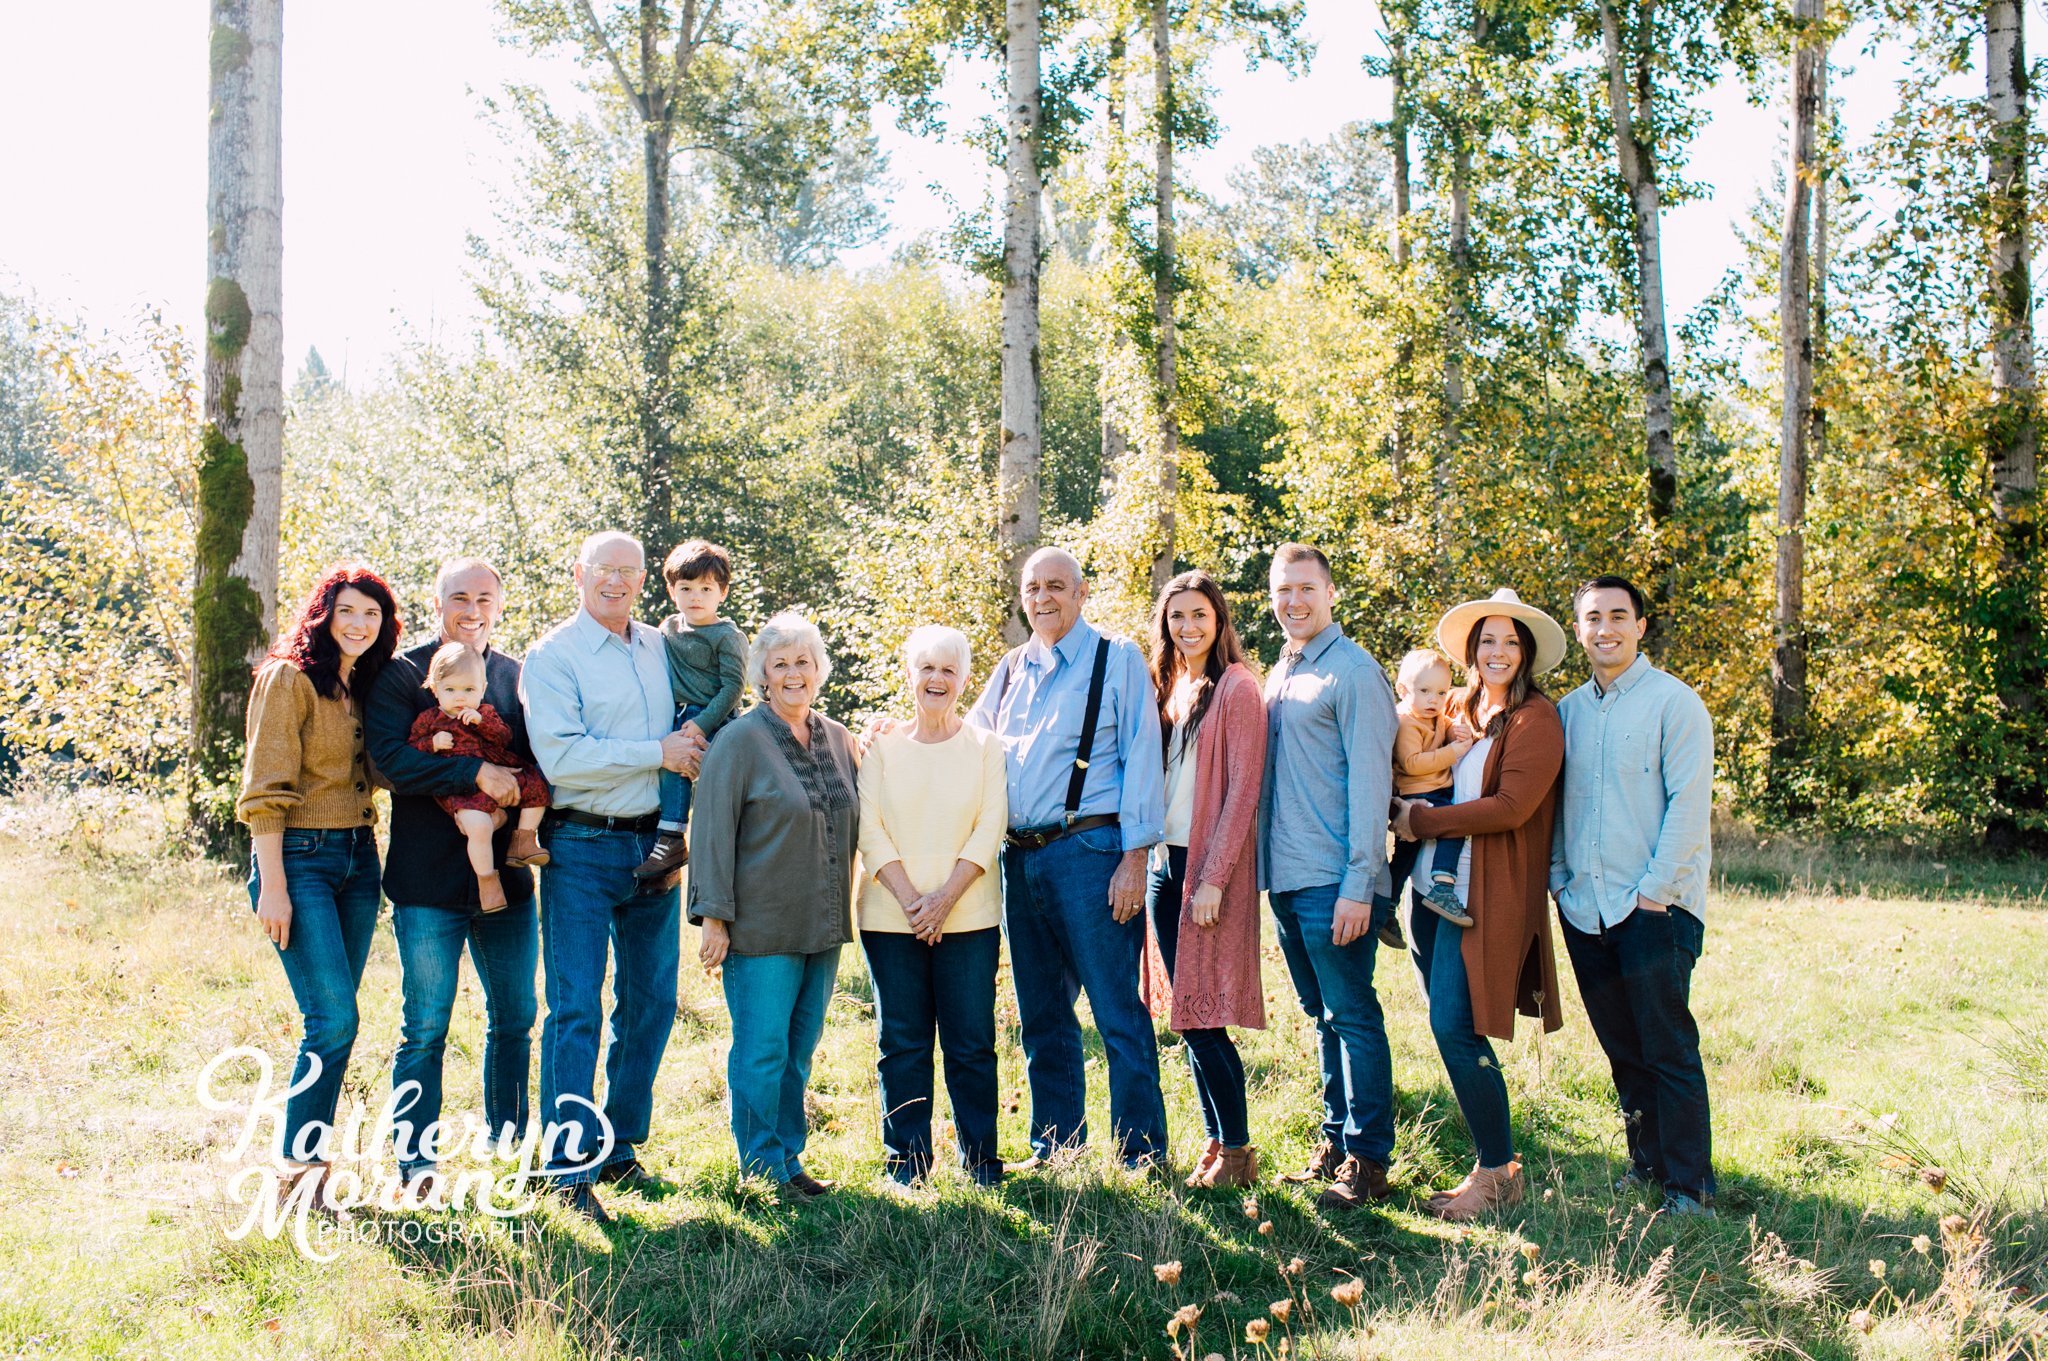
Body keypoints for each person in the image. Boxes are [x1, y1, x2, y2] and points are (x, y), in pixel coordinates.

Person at [968, 547, 1169, 1172]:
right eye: (1033, 588)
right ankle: (1058, 1148)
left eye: (1057, 586)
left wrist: (1135, 857)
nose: (1044, 597)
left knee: (1115, 1010)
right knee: (1043, 1014)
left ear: (1081, 594)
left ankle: (1141, 1151)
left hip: (1092, 853)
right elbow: (965, 743)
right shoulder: (1009, 669)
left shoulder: (1117, 659)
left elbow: (1143, 759)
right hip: (1019, 858)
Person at [521, 531, 701, 1224]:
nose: (619, 582)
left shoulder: (659, 644)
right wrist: (656, 750)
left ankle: (620, 1145)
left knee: (652, 1000)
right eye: (606, 570)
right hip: (583, 846)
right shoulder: (554, 655)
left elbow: (701, 711)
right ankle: (566, 1167)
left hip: (656, 844)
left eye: (630, 571)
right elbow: (564, 758)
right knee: (574, 1007)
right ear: (580, 574)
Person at [365, 558, 542, 1197]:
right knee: (426, 1026)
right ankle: (417, 1161)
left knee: (516, 1015)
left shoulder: (518, 678)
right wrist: (471, 776)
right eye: (460, 598)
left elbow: (535, 761)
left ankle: (509, 1142)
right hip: (425, 879)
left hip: (508, 882)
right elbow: (388, 761)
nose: (473, 609)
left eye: (485, 598)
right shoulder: (404, 676)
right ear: (438, 603)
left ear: (500, 605)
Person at [1392, 589, 1568, 1221]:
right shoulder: (1455, 707)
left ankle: (1498, 1171)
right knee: (1450, 1022)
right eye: (1488, 640)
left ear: (1526, 655)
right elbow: (1410, 765)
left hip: (1487, 892)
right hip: (1432, 890)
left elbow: (1511, 809)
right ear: (1470, 649)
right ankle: (1493, 1161)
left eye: (1511, 641)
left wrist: (1420, 823)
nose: (1499, 651)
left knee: (1455, 1027)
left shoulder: (1535, 720)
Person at [1551, 575, 1716, 1217]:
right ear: (1579, 629)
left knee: (1668, 1046)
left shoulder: (1675, 704)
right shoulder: (1567, 712)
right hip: (1584, 906)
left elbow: (1689, 807)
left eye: (1619, 616)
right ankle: (1646, 1164)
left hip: (1655, 908)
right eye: (1593, 618)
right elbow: (1559, 809)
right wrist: (1561, 880)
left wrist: (1654, 894)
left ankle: (1690, 1187)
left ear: (1640, 626)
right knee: (1621, 1047)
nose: (1606, 629)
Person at [236, 562, 401, 1207]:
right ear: (323, 615)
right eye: (347, 612)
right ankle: (296, 1172)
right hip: (299, 861)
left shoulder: (363, 685)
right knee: (333, 1018)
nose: (359, 624)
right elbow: (264, 789)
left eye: (371, 614)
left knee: (335, 1021)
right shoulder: (290, 677)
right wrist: (271, 885)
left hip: (360, 862)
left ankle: (309, 1163)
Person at [689, 612, 860, 1198]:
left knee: (799, 1051)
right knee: (762, 1050)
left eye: (803, 662)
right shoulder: (739, 740)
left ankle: (789, 1159)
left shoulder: (838, 738)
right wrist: (713, 917)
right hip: (759, 926)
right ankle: (760, 1170)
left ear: (820, 671)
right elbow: (710, 828)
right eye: (781, 663)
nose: (793, 673)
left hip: (824, 921)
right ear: (762, 674)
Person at [1257, 542, 1400, 1212]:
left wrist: (1359, 883)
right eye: (1283, 590)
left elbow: (1373, 787)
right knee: (1321, 1016)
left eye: (1306, 588)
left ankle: (1369, 1160)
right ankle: (1335, 1140)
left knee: (1353, 1013)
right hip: (1284, 879)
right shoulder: (1280, 670)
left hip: (1334, 880)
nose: (1294, 601)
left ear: (1331, 592)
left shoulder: (1353, 671)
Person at [855, 625, 1008, 1188]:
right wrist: (914, 903)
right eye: (927, 668)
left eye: (948, 669)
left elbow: (989, 827)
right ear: (910, 675)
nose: (937, 679)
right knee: (902, 1041)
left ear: (965, 680)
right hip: (890, 918)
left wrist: (942, 901)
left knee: (971, 1042)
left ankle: (982, 1161)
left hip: (968, 917)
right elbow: (868, 829)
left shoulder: (987, 748)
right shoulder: (880, 748)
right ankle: (907, 1162)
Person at [1142, 571, 1268, 1189]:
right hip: (1164, 864)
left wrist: (1214, 879)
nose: (1187, 627)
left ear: (1219, 620)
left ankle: (1239, 1151)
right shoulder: (1172, 683)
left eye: (1199, 616)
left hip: (1204, 867)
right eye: (1177, 617)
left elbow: (1243, 791)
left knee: (1206, 1014)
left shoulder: (1238, 687)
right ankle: (1216, 1144)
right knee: (1189, 1017)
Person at [634, 539, 749, 883]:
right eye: (685, 588)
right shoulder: (669, 627)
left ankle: (672, 837)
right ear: (672, 591)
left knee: (685, 766)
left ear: (722, 592)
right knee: (666, 761)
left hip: (713, 715)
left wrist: (700, 725)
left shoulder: (727, 636)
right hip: (677, 713)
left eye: (706, 588)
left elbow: (733, 688)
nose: (695, 597)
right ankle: (666, 837)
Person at [407, 641, 551, 912]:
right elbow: (412, 749)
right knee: (479, 826)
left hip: (499, 772)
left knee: (535, 786)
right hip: (462, 790)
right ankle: (488, 882)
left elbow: (504, 736)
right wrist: (432, 743)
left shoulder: (485, 713)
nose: (460, 697)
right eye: (450, 690)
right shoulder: (430, 720)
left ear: (482, 689)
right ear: (435, 690)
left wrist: (482, 723)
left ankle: (523, 839)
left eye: (469, 690)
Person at [1388, 648, 1476, 930]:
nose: (1434, 700)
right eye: (1425, 690)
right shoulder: (1406, 722)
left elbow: (1447, 726)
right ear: (1403, 690)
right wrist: (1453, 752)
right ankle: (1443, 885)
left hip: (1433, 792)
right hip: (1418, 794)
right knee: (1452, 826)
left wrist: (1457, 733)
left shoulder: (1434, 717)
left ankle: (1386, 905)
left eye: (1441, 693)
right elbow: (1411, 763)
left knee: (1407, 852)